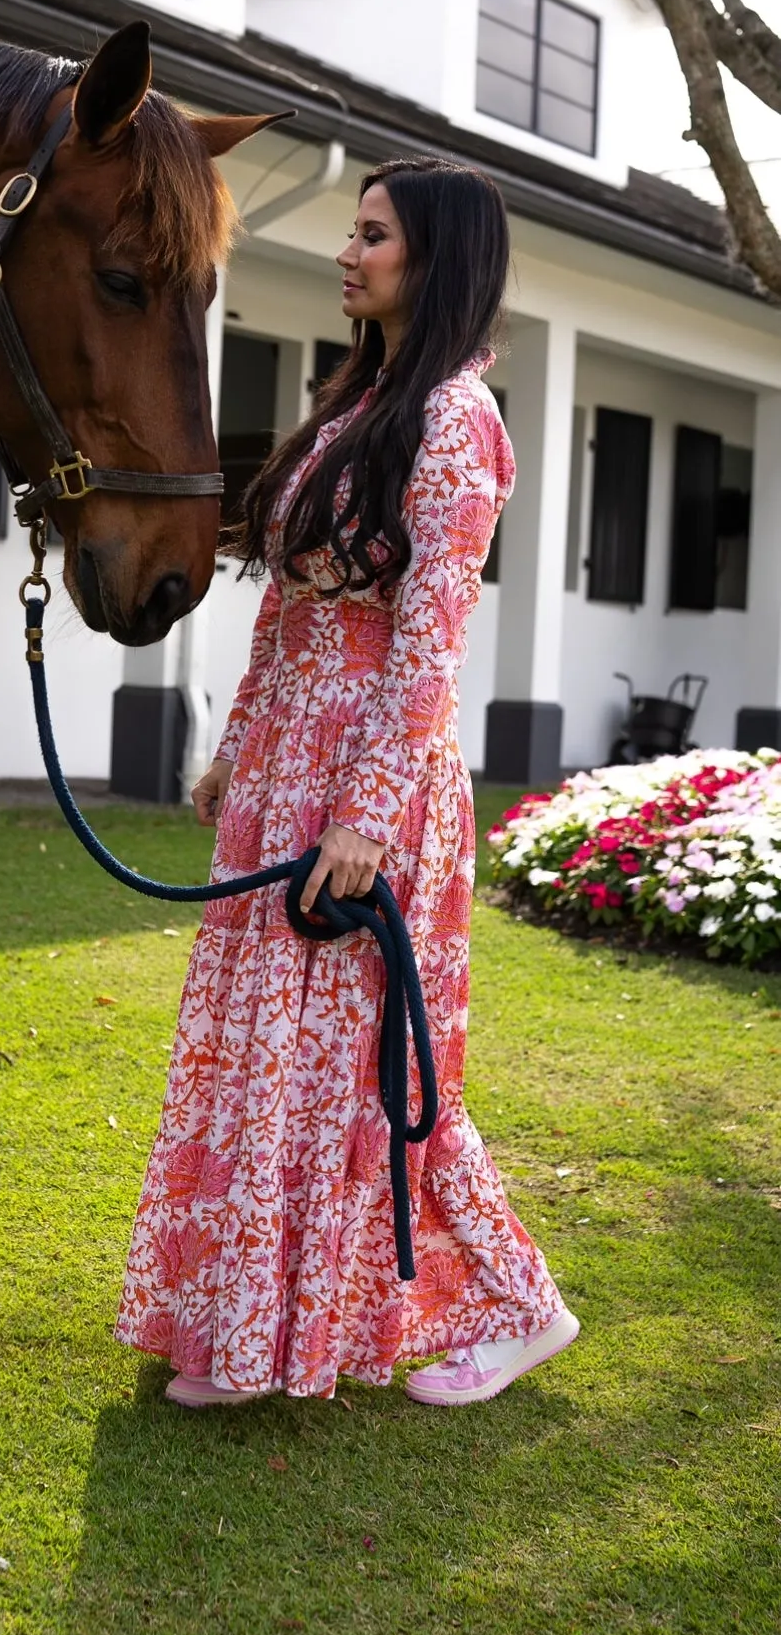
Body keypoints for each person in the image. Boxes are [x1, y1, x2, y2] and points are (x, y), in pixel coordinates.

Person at [115, 157, 577, 1409]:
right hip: (285, 774)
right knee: (267, 1060)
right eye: (355, 230)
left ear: (434, 261)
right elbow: (288, 611)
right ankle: (239, 1332)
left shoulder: (455, 425)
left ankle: (525, 1304)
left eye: (373, 235)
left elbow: (429, 643)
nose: (349, 251)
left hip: (375, 784)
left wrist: (369, 820)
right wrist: (238, 746)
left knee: (373, 1070)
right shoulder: (353, 413)